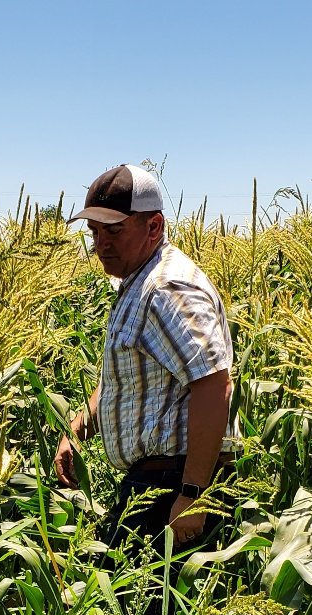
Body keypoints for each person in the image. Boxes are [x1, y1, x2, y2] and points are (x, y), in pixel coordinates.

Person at [55, 163, 239, 553]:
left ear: (153, 226)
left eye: (115, 231)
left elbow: (213, 385)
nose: (100, 244)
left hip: (171, 485)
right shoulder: (138, 281)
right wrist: (79, 429)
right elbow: (132, 382)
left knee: (146, 611)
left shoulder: (165, 288)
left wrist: (193, 495)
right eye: (95, 231)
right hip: (155, 482)